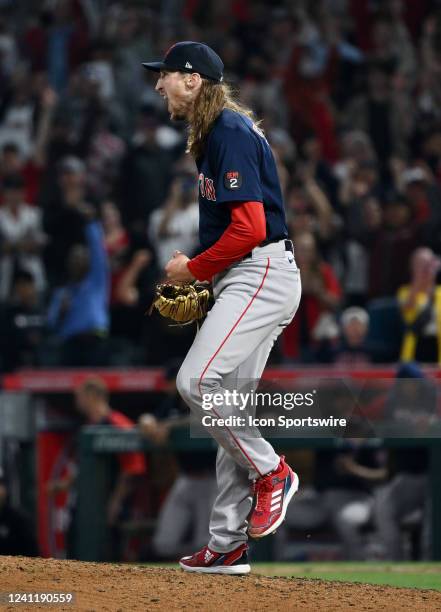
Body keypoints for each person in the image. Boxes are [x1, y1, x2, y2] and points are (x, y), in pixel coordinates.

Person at [143, 41, 301, 575]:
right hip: (255, 274)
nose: (158, 85)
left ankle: (272, 471)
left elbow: (251, 228)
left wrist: (195, 270)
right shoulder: (218, 132)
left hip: (259, 271)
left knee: (197, 384)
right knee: (228, 406)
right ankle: (228, 543)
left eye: (164, 75)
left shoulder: (229, 131)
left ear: (192, 80)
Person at [47, 377, 147, 560]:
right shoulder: (89, 427)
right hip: (87, 501)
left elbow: (133, 467)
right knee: (77, 548)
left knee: (109, 554)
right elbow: (81, 467)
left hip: (109, 499)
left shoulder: (117, 422)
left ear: (92, 396)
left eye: (80, 397)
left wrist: (116, 501)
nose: (77, 402)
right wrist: (64, 485)